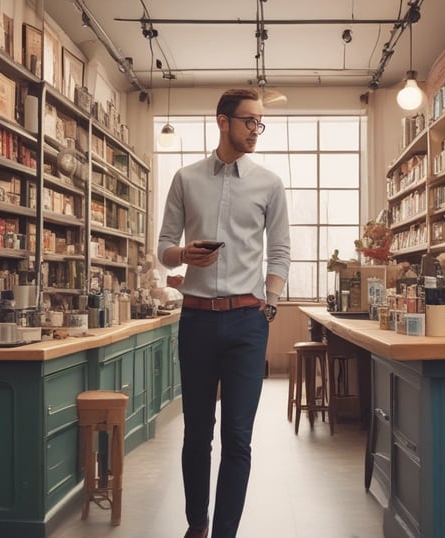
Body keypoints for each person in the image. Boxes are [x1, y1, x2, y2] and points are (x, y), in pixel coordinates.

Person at [157, 88, 291, 538]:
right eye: (248, 121)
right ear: (222, 121)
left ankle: (224, 534)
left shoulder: (269, 183)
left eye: (260, 123)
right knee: (197, 433)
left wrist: (269, 303)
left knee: (237, 437)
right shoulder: (186, 178)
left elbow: (280, 252)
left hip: (247, 322)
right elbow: (162, 249)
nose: (256, 130)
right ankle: (197, 524)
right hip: (195, 320)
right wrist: (183, 255)